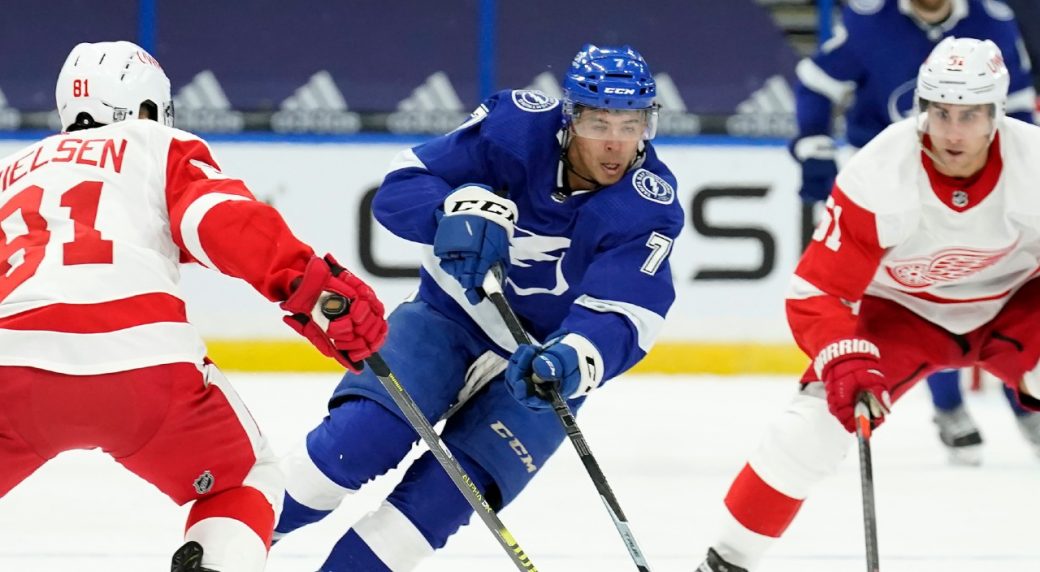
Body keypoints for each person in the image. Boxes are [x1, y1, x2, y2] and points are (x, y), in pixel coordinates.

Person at [273, 44, 682, 570]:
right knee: (354, 445)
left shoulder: (647, 203)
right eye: (600, 123)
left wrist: (571, 358)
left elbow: (628, 312)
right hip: (447, 318)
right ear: (569, 118)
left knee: (433, 509)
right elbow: (400, 187)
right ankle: (223, 550)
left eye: (631, 126)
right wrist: (450, 211)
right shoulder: (515, 130)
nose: (615, 145)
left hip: (542, 366)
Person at [0, 41, 387, 572]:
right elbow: (219, 223)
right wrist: (314, 291)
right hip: (140, 361)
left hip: (10, 368)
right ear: (144, 106)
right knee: (247, 481)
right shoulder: (156, 144)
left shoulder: (9, 169)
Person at [697, 37, 1040, 572]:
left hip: (1018, 308)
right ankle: (725, 563)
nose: (952, 132)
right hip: (901, 317)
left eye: (970, 114)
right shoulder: (880, 169)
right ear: (921, 108)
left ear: (996, 112)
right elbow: (817, 289)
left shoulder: (1034, 165)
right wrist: (843, 357)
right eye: (941, 112)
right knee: (807, 431)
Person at [790, 0, 1039, 465]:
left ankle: (1020, 396)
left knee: (992, 283)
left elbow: (1020, 100)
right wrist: (814, 144)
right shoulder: (869, 21)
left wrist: (1018, 172)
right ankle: (948, 406)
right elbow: (816, 81)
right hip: (885, 191)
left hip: (974, 178)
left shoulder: (994, 22)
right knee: (921, 292)